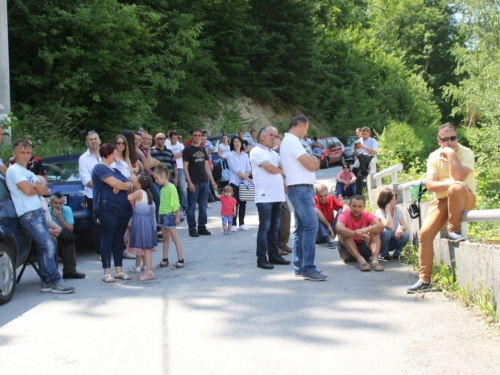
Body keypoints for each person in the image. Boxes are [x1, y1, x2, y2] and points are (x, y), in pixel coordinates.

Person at [406, 123, 476, 293]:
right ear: (439, 141)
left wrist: (452, 155)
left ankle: (454, 230)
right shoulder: (433, 157)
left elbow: (460, 177)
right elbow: (430, 185)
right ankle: (424, 280)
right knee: (425, 234)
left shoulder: (466, 152)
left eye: (453, 138)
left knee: (456, 188)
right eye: (446, 139)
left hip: (464, 198)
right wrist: (450, 182)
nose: (450, 142)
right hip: (442, 200)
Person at [7, 138, 75, 293]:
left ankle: (46, 281)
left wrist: (35, 186)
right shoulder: (14, 170)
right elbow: (29, 191)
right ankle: (56, 281)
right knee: (48, 245)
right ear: (14, 154)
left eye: (28, 153)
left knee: (44, 246)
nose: (25, 156)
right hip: (28, 214)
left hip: (38, 211)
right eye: (22, 152)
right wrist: (36, 187)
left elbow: (46, 191)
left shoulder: (28, 173)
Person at [280, 116, 327, 281]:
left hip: (300, 189)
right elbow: (312, 164)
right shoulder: (293, 142)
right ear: (301, 125)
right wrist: (314, 160)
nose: (307, 132)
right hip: (300, 189)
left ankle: (300, 267)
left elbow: (313, 164)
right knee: (311, 226)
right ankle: (308, 269)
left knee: (301, 228)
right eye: (306, 128)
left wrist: (313, 161)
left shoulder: (289, 141)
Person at [92, 143, 135, 283]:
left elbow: (130, 184)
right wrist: (118, 185)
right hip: (107, 208)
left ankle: (119, 271)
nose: (116, 156)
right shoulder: (99, 168)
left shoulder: (116, 170)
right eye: (114, 153)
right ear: (108, 154)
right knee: (108, 239)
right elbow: (116, 183)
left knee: (118, 240)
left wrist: (119, 186)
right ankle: (106, 273)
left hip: (122, 209)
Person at [250, 126, 290, 269]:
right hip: (265, 197)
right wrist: (282, 172)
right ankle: (261, 258)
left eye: (276, 135)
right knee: (265, 228)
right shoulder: (256, 151)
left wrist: (282, 147)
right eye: (271, 135)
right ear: (262, 137)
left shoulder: (273, 153)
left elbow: (284, 164)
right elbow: (270, 168)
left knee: (274, 228)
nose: (274, 138)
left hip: (277, 196)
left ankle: (273, 255)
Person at [183, 128, 218, 237]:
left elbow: (206, 165)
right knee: (192, 207)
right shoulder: (187, 150)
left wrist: (212, 180)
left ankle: (202, 227)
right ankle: (192, 229)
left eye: (199, 135)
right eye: (195, 135)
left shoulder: (203, 149)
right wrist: (190, 183)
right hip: (194, 182)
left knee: (203, 206)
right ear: (191, 136)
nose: (197, 137)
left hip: (204, 182)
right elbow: (185, 167)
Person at [335, 195, 384, 272]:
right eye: (354, 206)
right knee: (344, 234)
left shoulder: (367, 214)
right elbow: (338, 228)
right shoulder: (344, 215)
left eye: (359, 206)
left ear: (364, 207)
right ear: (350, 206)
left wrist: (364, 230)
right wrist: (356, 233)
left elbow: (380, 226)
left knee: (375, 232)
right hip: (347, 253)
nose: (356, 209)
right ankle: (360, 260)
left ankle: (375, 261)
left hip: (364, 249)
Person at [153, 164, 184, 270]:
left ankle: (180, 260)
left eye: (156, 178)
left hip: (170, 215)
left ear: (162, 175)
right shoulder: (162, 189)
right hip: (162, 214)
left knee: (175, 238)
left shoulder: (171, 187)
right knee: (165, 238)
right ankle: (165, 259)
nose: (156, 181)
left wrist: (177, 216)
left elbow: (176, 203)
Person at [127, 174, 157, 281]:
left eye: (135, 178)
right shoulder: (145, 193)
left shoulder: (139, 192)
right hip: (145, 220)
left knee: (146, 248)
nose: (133, 178)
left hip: (141, 221)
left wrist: (130, 186)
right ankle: (148, 270)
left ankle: (149, 272)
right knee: (145, 248)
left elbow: (129, 197)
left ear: (139, 184)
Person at [48, 192, 86, 279]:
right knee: (52, 241)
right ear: (50, 203)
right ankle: (53, 274)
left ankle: (70, 271)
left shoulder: (67, 209)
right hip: (50, 234)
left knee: (69, 238)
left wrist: (59, 218)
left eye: (60, 203)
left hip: (61, 234)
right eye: (55, 203)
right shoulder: (46, 210)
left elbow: (70, 229)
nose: (58, 206)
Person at [78, 130, 103, 252]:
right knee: (97, 223)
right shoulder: (83, 158)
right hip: (93, 196)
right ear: (86, 143)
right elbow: (86, 180)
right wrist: (105, 185)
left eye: (95, 138)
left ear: (99, 140)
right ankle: (100, 250)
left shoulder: (107, 155)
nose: (93, 141)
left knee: (113, 221)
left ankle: (118, 248)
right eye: (90, 139)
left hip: (109, 195)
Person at [227, 135, 252, 232]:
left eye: (238, 141)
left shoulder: (245, 155)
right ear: (232, 144)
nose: (237, 143)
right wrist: (244, 176)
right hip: (234, 182)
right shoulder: (230, 155)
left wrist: (246, 175)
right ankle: (233, 223)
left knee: (243, 203)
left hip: (244, 182)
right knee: (234, 203)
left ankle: (242, 223)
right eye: (235, 142)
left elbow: (249, 168)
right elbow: (234, 168)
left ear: (241, 144)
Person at [375, 188, 409, 261]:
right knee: (387, 232)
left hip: (393, 239)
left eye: (395, 199)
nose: (395, 201)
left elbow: (405, 226)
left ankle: (397, 254)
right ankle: (383, 254)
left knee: (405, 234)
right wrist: (387, 211)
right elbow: (389, 226)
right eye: (392, 199)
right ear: (385, 200)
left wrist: (401, 228)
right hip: (383, 242)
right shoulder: (379, 211)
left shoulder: (397, 209)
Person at [314, 184, 349, 249]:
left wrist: (342, 224)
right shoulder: (314, 200)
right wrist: (328, 225)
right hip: (318, 234)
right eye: (321, 196)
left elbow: (346, 207)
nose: (324, 198)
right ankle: (328, 238)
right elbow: (316, 211)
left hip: (331, 232)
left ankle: (341, 236)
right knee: (314, 213)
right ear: (316, 195)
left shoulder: (331, 198)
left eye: (325, 195)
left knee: (341, 210)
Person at [166, 131, 187, 214]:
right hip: (170, 169)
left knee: (182, 189)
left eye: (176, 138)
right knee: (172, 189)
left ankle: (185, 207)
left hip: (180, 168)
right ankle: (175, 207)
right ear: (170, 138)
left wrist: (172, 156)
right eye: (173, 138)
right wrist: (176, 155)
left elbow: (182, 154)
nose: (175, 140)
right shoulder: (167, 146)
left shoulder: (180, 145)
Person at [354, 127, 378, 194]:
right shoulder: (360, 141)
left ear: (369, 134)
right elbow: (357, 155)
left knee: (361, 156)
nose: (363, 136)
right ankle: (358, 194)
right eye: (362, 134)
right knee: (357, 174)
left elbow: (374, 152)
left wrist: (363, 147)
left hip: (370, 158)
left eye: (365, 134)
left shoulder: (373, 141)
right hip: (361, 160)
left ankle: (364, 171)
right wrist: (355, 149)